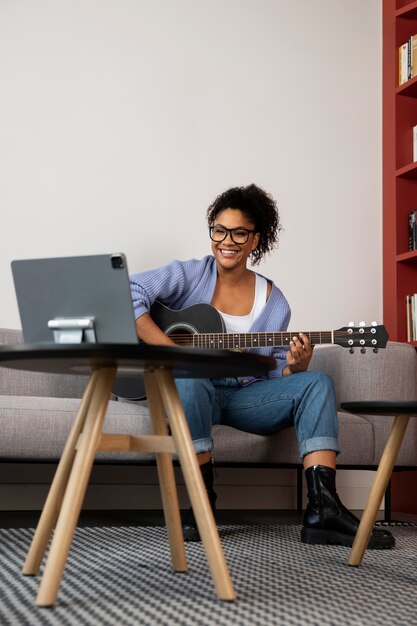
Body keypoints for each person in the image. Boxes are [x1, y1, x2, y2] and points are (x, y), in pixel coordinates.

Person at [130, 184, 394, 549]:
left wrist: (295, 368)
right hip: (190, 388)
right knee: (191, 374)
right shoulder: (189, 275)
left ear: (255, 240)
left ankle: (323, 511)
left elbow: (273, 374)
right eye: (219, 230)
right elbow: (129, 292)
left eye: (239, 233)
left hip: (243, 395)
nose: (227, 241)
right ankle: (201, 501)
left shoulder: (274, 302)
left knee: (316, 382)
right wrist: (170, 350)